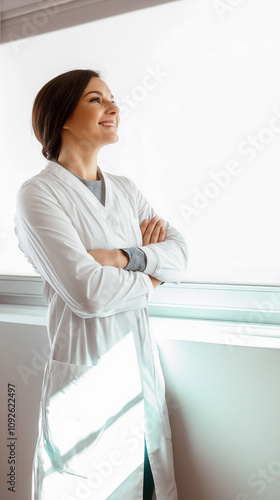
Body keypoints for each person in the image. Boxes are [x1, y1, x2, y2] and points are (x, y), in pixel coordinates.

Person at [14, 69, 188, 500]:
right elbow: (87, 292)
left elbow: (180, 253)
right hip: (86, 383)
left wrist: (125, 258)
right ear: (63, 119)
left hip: (139, 376)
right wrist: (152, 279)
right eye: (96, 100)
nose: (113, 107)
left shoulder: (126, 190)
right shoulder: (38, 195)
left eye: (111, 98)